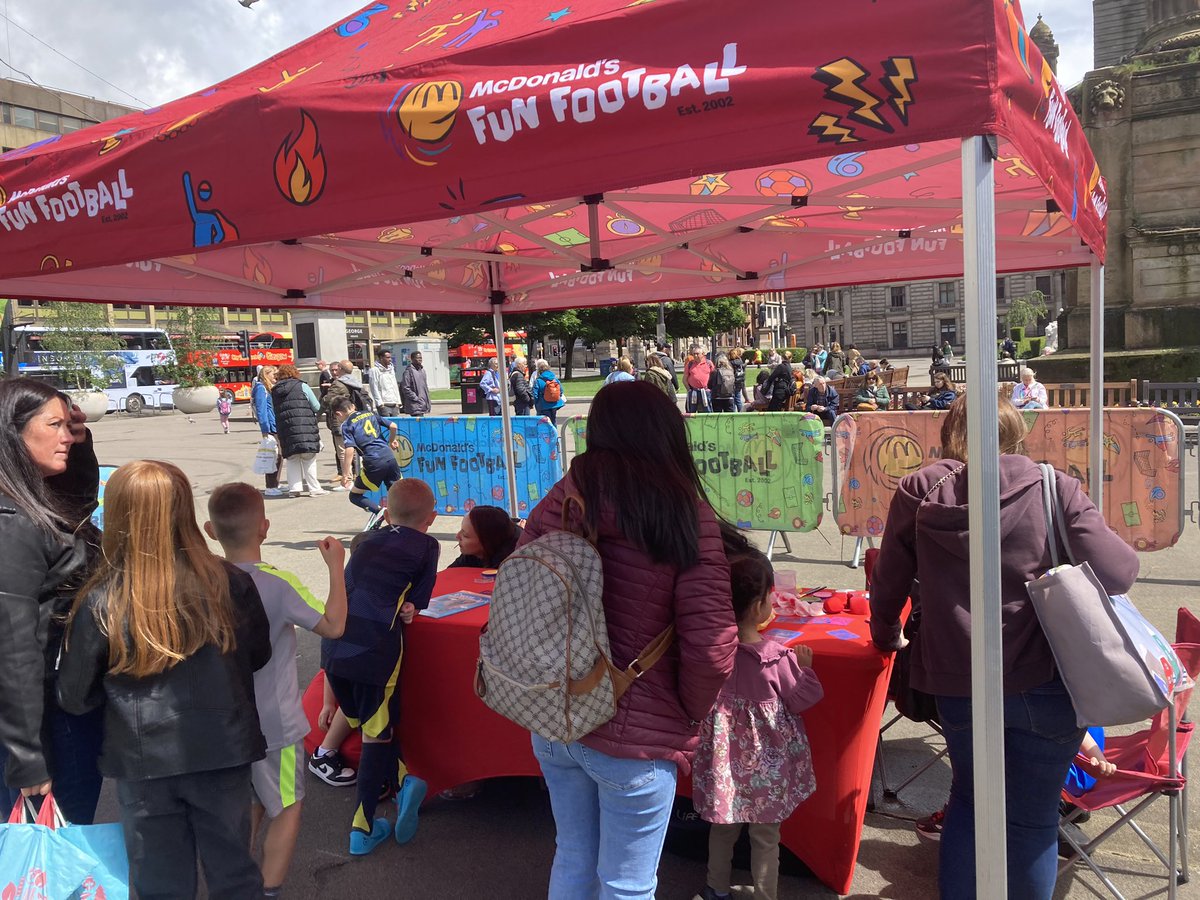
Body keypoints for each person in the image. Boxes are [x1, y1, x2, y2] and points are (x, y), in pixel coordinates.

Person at [869, 395, 1138, 899]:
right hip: (1048, 677)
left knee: (970, 807)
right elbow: (1120, 572)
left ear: (952, 433)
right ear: (1017, 434)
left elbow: (889, 583)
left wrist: (885, 635)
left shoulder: (920, 490)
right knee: (1033, 821)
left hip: (958, 676)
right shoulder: (1053, 485)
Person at [521, 380, 738, 899]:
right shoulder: (684, 510)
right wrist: (686, 712)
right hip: (635, 735)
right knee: (628, 882)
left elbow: (520, 587)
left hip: (555, 714)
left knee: (572, 856)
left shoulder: (565, 495)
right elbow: (712, 645)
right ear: (668, 433)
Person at [57, 460, 272, 898]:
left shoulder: (102, 599)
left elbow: (75, 696)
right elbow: (257, 655)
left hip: (142, 763)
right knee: (235, 872)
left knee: (159, 881)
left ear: (116, 515)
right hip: (223, 749)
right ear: (184, 512)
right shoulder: (230, 582)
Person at [205, 483, 349, 895]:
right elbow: (333, 626)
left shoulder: (204, 581)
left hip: (223, 724)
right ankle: (267, 891)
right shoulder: (278, 584)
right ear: (264, 528)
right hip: (275, 725)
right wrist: (335, 567)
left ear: (211, 531)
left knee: (245, 803)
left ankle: (232, 884)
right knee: (286, 806)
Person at [693, 534, 822, 900]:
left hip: (726, 766)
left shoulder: (714, 653)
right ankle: (766, 895)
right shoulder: (776, 657)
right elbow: (804, 698)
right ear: (758, 606)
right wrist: (807, 668)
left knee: (723, 829)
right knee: (765, 836)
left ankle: (715, 888)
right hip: (767, 770)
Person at [0, 379, 103, 825]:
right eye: (54, 425)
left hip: (63, 703)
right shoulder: (12, 523)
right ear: (13, 432)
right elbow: (13, 645)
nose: (66, 435)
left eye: (69, 425)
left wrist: (79, 449)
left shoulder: (31, 496)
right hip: (46, 719)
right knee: (55, 846)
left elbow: (75, 510)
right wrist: (26, 756)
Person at [320, 479, 439, 856]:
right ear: (432, 519)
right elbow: (417, 602)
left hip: (333, 651)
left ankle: (406, 782)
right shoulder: (427, 546)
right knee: (377, 733)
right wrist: (411, 608)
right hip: (375, 653)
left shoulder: (366, 540)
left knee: (378, 724)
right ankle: (363, 827)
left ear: (385, 513)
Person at [332, 397, 403, 516]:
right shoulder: (370, 414)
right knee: (396, 493)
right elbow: (393, 426)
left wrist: (345, 474)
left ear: (338, 414)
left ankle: (380, 512)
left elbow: (349, 449)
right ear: (353, 406)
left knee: (355, 496)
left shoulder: (347, 425)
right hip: (389, 457)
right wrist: (391, 441)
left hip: (373, 461)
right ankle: (401, 522)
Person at [271, 363, 325, 497]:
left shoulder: (275, 390)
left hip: (286, 428)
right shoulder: (302, 386)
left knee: (292, 459)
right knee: (309, 458)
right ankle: (314, 489)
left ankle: (294, 489)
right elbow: (317, 406)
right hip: (305, 426)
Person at [323, 360, 369, 490]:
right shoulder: (355, 382)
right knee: (354, 449)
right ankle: (355, 475)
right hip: (355, 417)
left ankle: (347, 480)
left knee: (342, 450)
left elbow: (327, 400)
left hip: (340, 419)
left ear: (341, 369)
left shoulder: (338, 383)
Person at [447, 504, 521, 568]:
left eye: (465, 535)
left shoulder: (513, 565)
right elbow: (449, 574)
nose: (457, 536)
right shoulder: (473, 554)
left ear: (486, 542)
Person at [253, 365, 285, 497]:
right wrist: (265, 429)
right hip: (271, 426)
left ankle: (275, 482)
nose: (276, 377)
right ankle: (271, 485)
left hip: (275, 424)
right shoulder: (261, 388)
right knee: (274, 455)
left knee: (279, 455)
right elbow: (261, 410)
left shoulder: (268, 388)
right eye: (274, 374)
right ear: (266, 374)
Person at [368, 350, 402, 418]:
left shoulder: (391, 370)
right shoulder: (375, 370)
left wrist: (398, 402)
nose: (390, 359)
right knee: (387, 425)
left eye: (390, 357)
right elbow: (374, 388)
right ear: (381, 358)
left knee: (395, 425)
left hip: (394, 403)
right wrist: (380, 404)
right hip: (384, 404)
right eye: (387, 357)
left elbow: (395, 386)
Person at [533, 359, 565, 424]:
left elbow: (535, 395)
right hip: (554, 405)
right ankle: (554, 433)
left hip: (543, 406)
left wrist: (536, 403)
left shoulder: (538, 381)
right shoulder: (555, 379)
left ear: (539, 371)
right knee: (553, 421)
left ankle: (546, 434)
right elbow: (561, 391)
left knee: (544, 423)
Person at [684, 345, 715, 413]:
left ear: (703, 354)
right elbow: (684, 379)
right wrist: (689, 390)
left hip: (706, 391)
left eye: (697, 354)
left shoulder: (709, 363)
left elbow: (714, 377)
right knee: (691, 412)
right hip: (693, 391)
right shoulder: (690, 364)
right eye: (694, 354)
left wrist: (710, 389)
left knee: (708, 411)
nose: (695, 356)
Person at [400, 351, 431, 417]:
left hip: (423, 403)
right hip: (415, 405)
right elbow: (405, 388)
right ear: (412, 359)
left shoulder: (422, 370)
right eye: (418, 358)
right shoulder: (408, 371)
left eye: (421, 358)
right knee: (417, 425)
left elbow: (424, 386)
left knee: (422, 425)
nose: (420, 359)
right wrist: (416, 398)